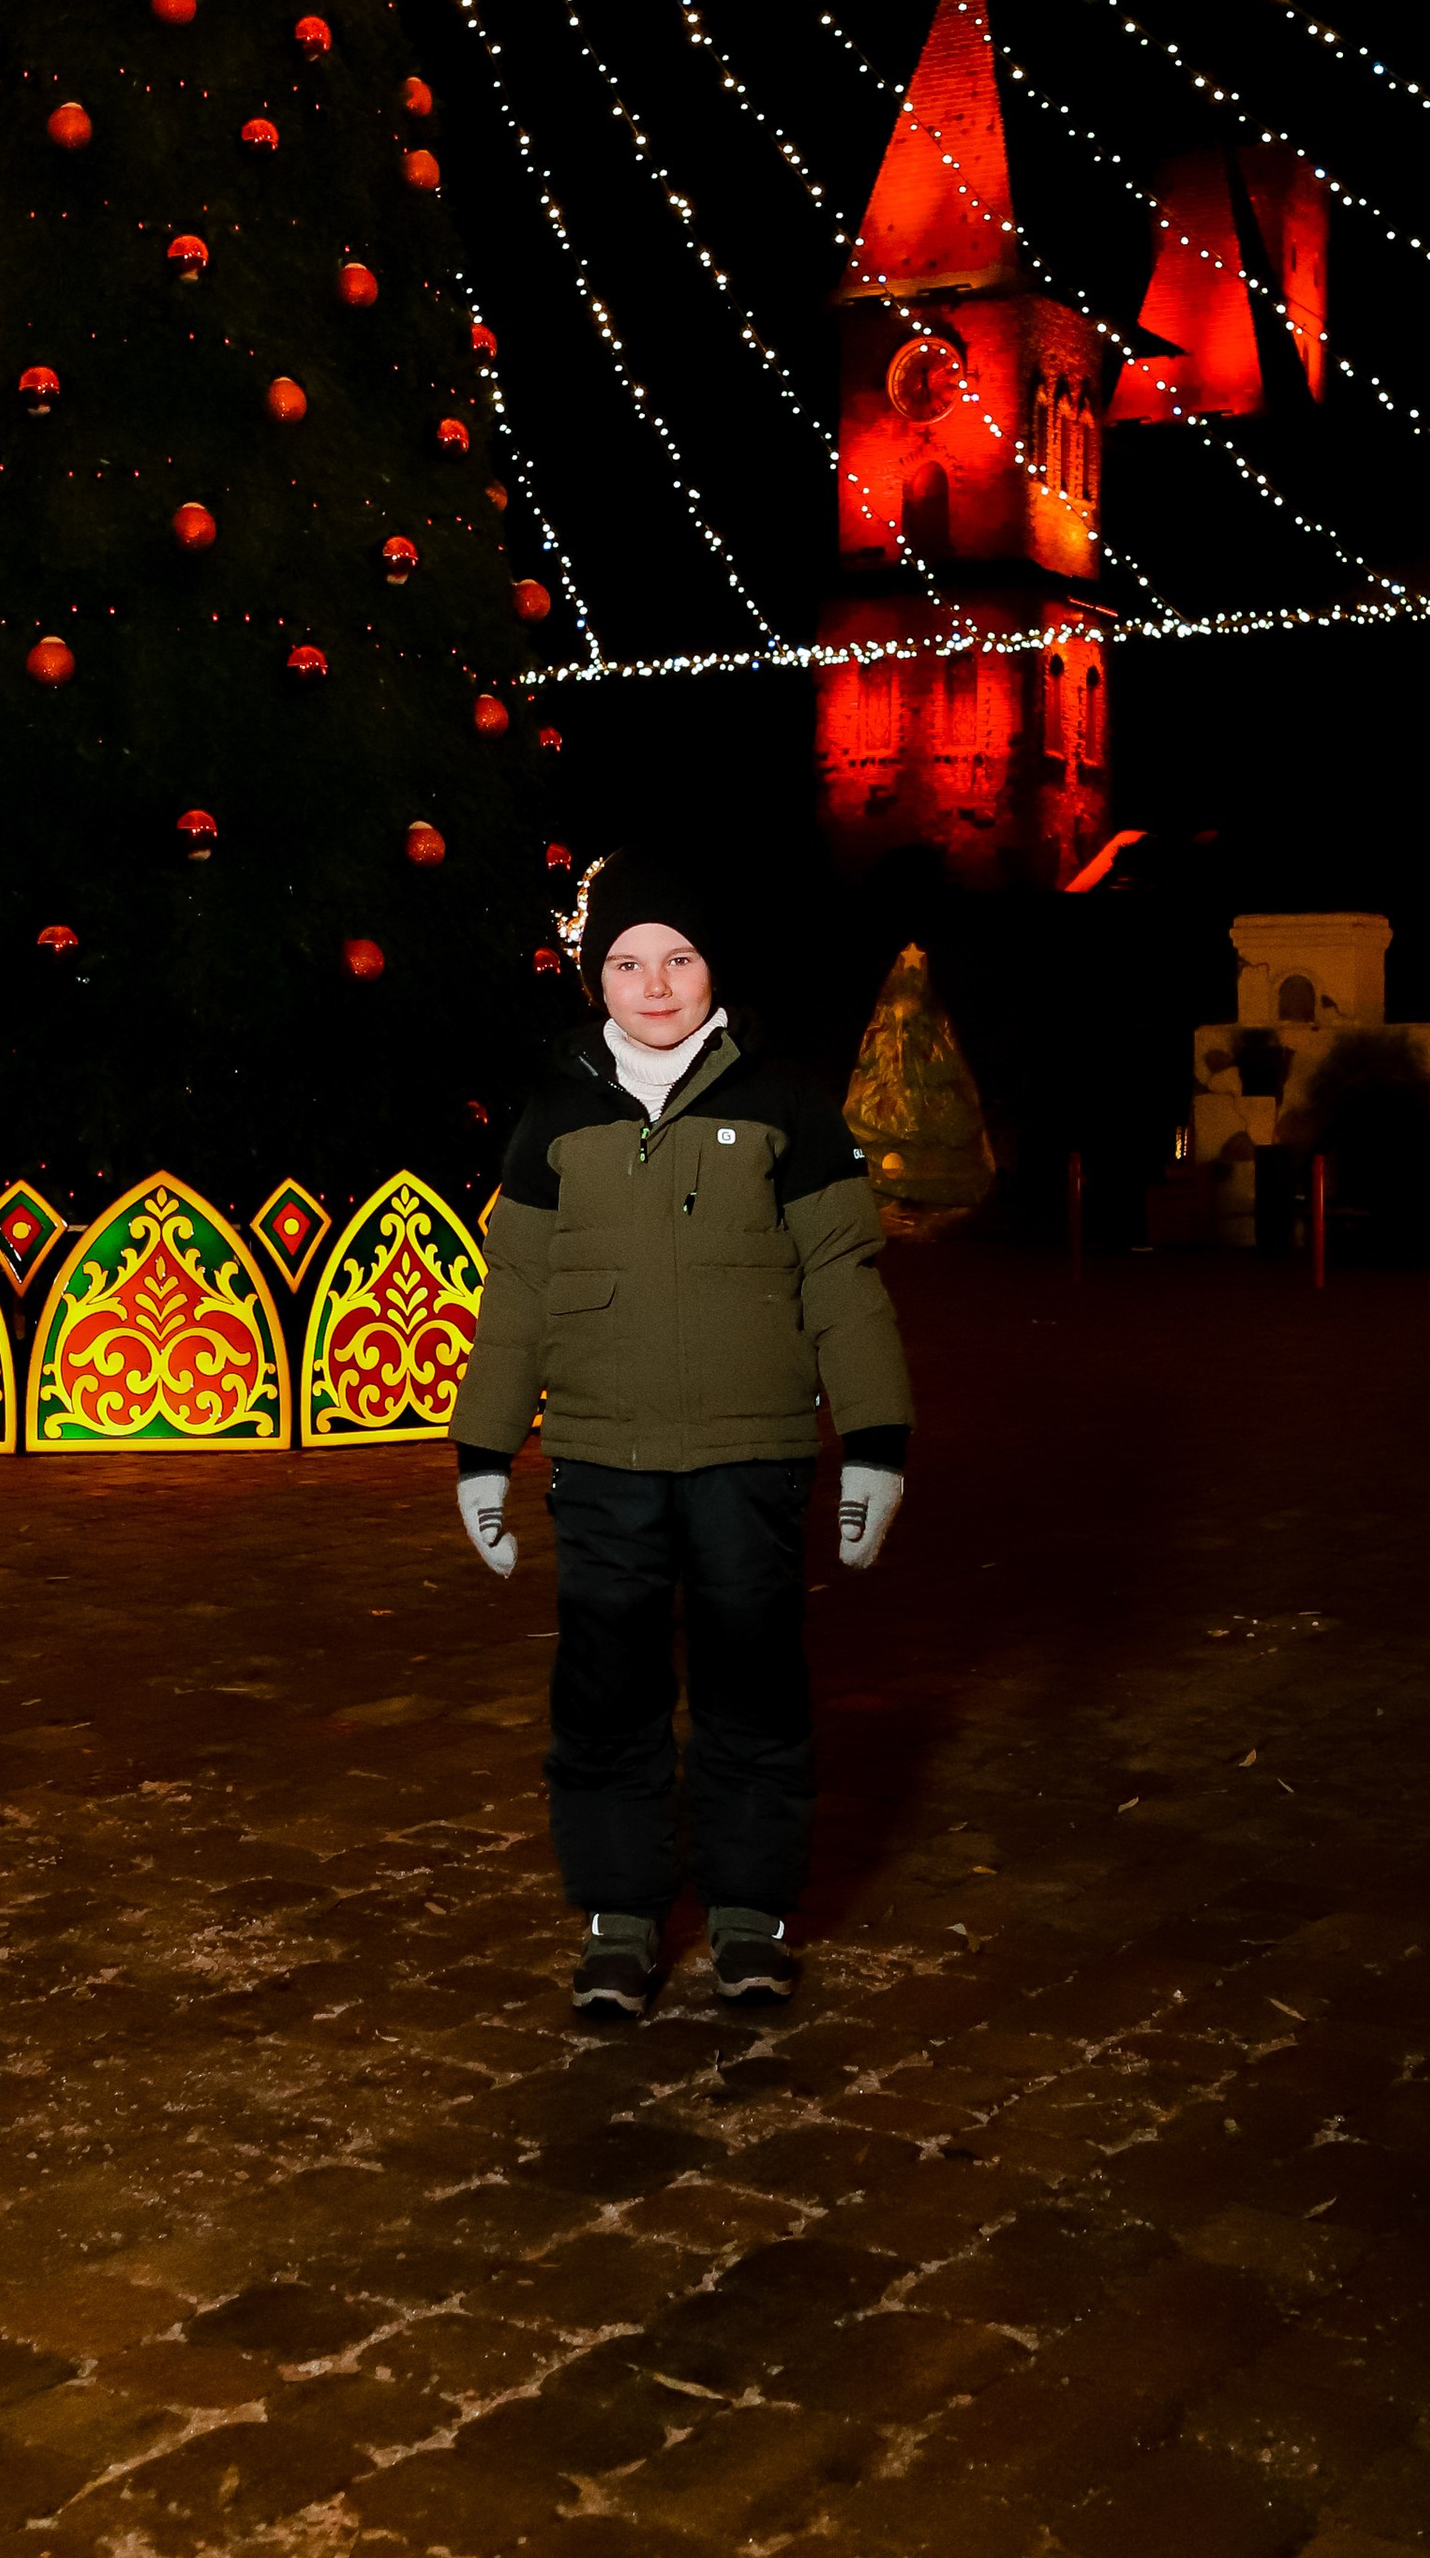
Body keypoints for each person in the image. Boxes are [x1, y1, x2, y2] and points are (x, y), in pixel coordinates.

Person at [449, 851, 913, 2017]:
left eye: (678, 958)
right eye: (625, 962)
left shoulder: (784, 1107)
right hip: (604, 1459)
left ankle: (751, 1918)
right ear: (594, 979)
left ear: (712, 969)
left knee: (752, 1682)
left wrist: (874, 1442)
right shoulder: (555, 1116)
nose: (654, 985)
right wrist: (483, 1454)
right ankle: (620, 1921)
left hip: (749, 1455)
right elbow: (515, 1294)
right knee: (605, 1691)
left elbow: (845, 1284)